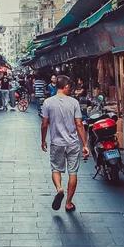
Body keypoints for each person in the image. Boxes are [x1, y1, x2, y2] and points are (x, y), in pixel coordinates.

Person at [41, 76, 90, 212]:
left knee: (56, 169)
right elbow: (79, 124)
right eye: (70, 87)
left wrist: (43, 140)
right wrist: (85, 144)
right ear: (66, 86)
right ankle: (68, 203)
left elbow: (44, 124)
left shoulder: (47, 103)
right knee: (73, 172)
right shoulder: (74, 102)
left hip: (56, 143)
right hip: (73, 143)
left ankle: (59, 188)